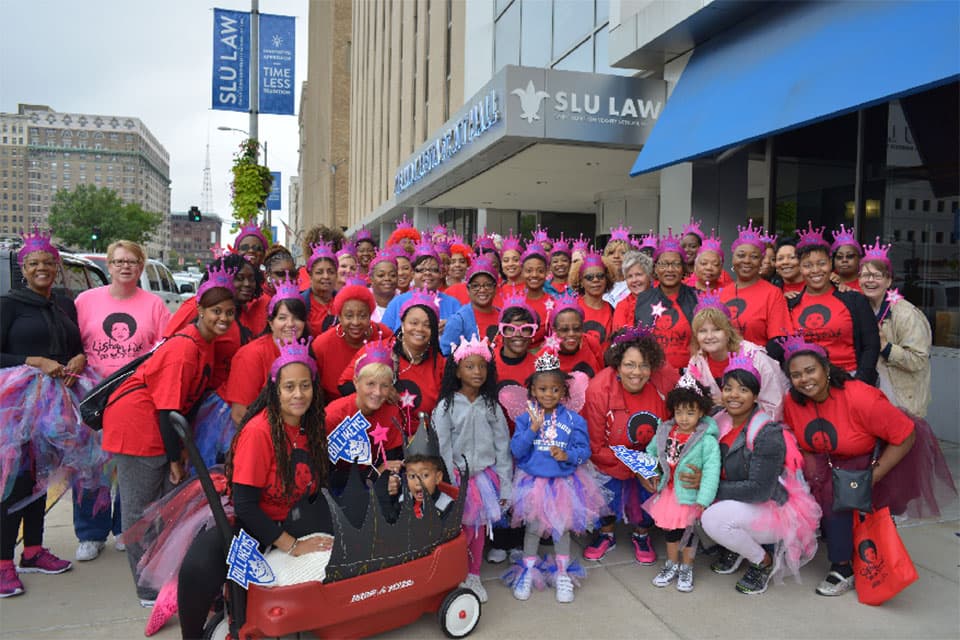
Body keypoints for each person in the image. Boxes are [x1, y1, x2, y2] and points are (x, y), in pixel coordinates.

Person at [177, 341, 332, 639]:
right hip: (251, 525)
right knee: (203, 566)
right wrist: (293, 546)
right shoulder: (259, 432)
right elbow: (246, 507)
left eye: (305, 385)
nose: (298, 394)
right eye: (289, 387)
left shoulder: (309, 426)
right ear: (275, 390)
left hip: (289, 522)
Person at [103, 263, 236, 605]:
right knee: (140, 512)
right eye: (215, 311)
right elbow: (166, 410)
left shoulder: (206, 342)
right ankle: (147, 587)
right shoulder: (184, 349)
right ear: (200, 310)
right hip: (137, 428)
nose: (223, 318)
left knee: (164, 509)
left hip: (158, 426)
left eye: (229, 312)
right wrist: (175, 458)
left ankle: (162, 577)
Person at [780, 336, 955, 596]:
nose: (804, 379)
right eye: (796, 375)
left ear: (826, 369)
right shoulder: (793, 401)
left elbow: (905, 435)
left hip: (864, 461)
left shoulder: (861, 397)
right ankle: (837, 544)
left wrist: (872, 476)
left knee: (837, 497)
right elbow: (799, 438)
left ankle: (842, 568)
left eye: (810, 370)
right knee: (812, 494)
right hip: (826, 461)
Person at [73, 240, 171, 563]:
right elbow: (74, 343)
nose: (125, 266)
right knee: (91, 468)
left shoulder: (155, 305)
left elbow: (166, 349)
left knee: (129, 469)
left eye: (132, 261)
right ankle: (90, 532)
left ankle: (121, 528)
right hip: (94, 397)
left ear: (141, 267)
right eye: (118, 261)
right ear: (109, 266)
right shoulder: (85, 301)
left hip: (134, 399)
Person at [0, 229, 85, 598]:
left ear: (57, 266)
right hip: (14, 412)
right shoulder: (9, 305)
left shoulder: (64, 304)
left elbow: (75, 346)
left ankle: (33, 550)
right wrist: (33, 360)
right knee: (13, 484)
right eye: (34, 263)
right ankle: (3, 563)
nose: (42, 269)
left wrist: (78, 359)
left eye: (48, 263)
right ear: (24, 268)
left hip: (53, 410)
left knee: (41, 480)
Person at [699, 349, 821, 595]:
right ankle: (736, 546)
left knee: (711, 518)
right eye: (729, 388)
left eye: (743, 390)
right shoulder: (716, 418)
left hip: (771, 507)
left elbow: (759, 490)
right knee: (682, 499)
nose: (734, 395)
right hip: (734, 499)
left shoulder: (766, 432)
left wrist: (706, 489)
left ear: (755, 396)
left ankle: (762, 560)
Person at [505, 349, 607, 604]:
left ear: (563, 392)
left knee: (562, 529)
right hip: (532, 482)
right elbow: (516, 450)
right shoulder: (524, 418)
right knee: (533, 529)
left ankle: (562, 573)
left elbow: (585, 452)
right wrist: (532, 429)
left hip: (564, 484)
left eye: (554, 390)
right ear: (533, 391)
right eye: (542, 390)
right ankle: (527, 570)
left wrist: (568, 455)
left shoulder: (574, 420)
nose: (548, 395)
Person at [432, 335, 512, 603]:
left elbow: (502, 445)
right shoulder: (447, 406)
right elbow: (442, 447)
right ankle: (453, 574)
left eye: (482, 366)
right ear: (457, 370)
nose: (477, 372)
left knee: (477, 530)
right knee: (458, 533)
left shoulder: (491, 405)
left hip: (484, 480)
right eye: (469, 366)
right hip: (458, 479)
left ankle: (474, 575)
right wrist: (448, 484)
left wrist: (505, 483)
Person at [582, 327, 666, 565]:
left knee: (654, 484)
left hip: (648, 460)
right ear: (617, 365)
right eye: (630, 364)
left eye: (644, 365)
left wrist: (649, 468)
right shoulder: (599, 390)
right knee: (603, 489)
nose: (637, 372)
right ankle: (606, 532)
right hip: (608, 460)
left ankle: (642, 534)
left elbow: (668, 434)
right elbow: (596, 447)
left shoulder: (660, 388)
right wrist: (635, 467)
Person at [642, 374, 720, 593]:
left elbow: (711, 471)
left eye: (690, 412)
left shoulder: (706, 441)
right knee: (671, 532)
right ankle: (672, 563)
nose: (684, 418)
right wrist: (650, 471)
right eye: (679, 412)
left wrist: (704, 498)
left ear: (702, 412)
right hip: (668, 492)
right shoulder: (665, 432)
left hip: (689, 496)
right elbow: (651, 453)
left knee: (688, 534)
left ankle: (687, 566)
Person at [340, 288, 446, 434]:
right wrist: (382, 390)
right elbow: (345, 386)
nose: (419, 329)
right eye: (413, 323)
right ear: (402, 324)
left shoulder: (440, 364)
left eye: (427, 325)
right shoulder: (377, 349)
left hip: (421, 441)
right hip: (375, 434)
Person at [786, 223, 879, 384]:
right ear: (800, 268)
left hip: (850, 379)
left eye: (821, 263)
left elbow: (871, 345)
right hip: (806, 384)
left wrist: (860, 382)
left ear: (830, 264)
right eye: (808, 265)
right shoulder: (790, 304)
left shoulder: (855, 300)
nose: (815, 270)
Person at [219, 276, 308, 427]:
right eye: (282, 318)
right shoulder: (251, 355)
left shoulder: (303, 352)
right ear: (271, 323)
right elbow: (239, 415)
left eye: (297, 318)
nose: (290, 324)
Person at [163, 254, 261, 392]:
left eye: (252, 279)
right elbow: (169, 347)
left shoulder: (243, 311)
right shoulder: (196, 306)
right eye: (240, 278)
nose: (247, 284)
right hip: (198, 398)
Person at [686, 292, 789, 419]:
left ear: (728, 331)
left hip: (758, 427)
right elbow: (689, 402)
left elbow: (775, 405)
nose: (709, 336)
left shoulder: (755, 357)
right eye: (702, 331)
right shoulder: (697, 362)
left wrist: (730, 404)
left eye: (717, 329)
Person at [858, 239, 931, 416]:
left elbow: (919, 360)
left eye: (877, 276)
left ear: (889, 280)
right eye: (865, 275)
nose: (870, 281)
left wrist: (886, 347)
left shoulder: (906, 313)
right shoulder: (860, 307)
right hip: (871, 397)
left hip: (901, 402)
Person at [324, 347, 404, 492]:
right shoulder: (333, 415)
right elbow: (323, 473)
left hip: (372, 484)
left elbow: (391, 462)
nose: (377, 393)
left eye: (384, 386)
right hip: (337, 486)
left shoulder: (391, 412)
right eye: (370, 384)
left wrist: (392, 480)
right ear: (356, 382)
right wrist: (372, 475)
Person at [312, 279, 391, 403]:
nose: (355, 322)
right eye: (349, 316)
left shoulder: (384, 335)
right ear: (339, 317)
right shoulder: (321, 344)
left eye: (362, 315)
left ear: (370, 315)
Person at [719, 221, 793, 349]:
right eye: (741, 255)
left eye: (754, 256)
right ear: (733, 259)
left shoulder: (773, 293)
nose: (746, 261)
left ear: (760, 261)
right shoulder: (721, 293)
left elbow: (778, 339)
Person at [633, 231, 699, 372]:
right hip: (652, 373)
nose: (670, 269)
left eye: (675, 264)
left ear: (683, 268)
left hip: (689, 375)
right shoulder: (643, 299)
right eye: (663, 264)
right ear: (656, 268)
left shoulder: (697, 298)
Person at [380, 242, 460, 331]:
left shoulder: (453, 304)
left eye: (433, 270)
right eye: (421, 270)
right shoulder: (397, 303)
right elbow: (384, 336)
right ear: (413, 274)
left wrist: (452, 326)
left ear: (440, 274)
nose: (427, 273)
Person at [440, 255, 501, 354]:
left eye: (488, 285)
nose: (482, 290)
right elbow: (445, 355)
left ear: (495, 289)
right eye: (475, 286)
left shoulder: (503, 317)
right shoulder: (458, 321)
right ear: (468, 290)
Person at [550, 293, 604, 377]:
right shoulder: (546, 355)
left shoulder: (591, 343)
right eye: (564, 330)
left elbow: (602, 375)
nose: (571, 334)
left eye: (577, 329)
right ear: (554, 330)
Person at [574, 250, 614, 346]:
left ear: (606, 280)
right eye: (589, 277)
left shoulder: (612, 310)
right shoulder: (573, 307)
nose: (596, 280)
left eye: (600, 276)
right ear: (581, 282)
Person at [301, 241, 338, 337]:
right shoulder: (301, 303)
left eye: (331, 272)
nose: (326, 276)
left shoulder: (344, 302)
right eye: (319, 272)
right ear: (310, 275)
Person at [612, 250, 654, 331]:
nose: (634, 280)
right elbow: (619, 338)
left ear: (649, 275)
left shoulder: (661, 299)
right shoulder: (622, 306)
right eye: (629, 276)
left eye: (639, 274)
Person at [602, 225, 631, 306]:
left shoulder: (635, 284)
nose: (616, 256)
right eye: (611, 253)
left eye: (622, 253)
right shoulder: (598, 282)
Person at [367, 249, 398, 322]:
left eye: (392, 275)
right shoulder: (362, 302)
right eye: (381, 275)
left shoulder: (404, 302)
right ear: (371, 278)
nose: (387, 278)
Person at [830, 224, 862, 292]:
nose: (844, 260)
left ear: (860, 259)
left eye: (850, 256)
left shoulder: (867, 283)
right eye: (839, 257)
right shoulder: (826, 281)